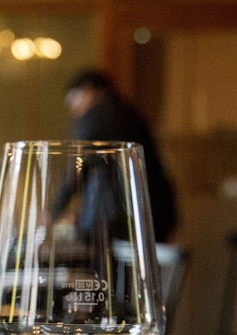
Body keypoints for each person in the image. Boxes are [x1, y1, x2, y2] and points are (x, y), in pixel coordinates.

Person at [64, 69, 178, 242]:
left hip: (122, 216)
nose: (73, 107)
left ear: (88, 90)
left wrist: (51, 212)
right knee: (142, 265)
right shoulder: (130, 111)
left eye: (73, 98)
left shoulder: (95, 116)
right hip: (155, 208)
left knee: (110, 266)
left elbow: (76, 168)